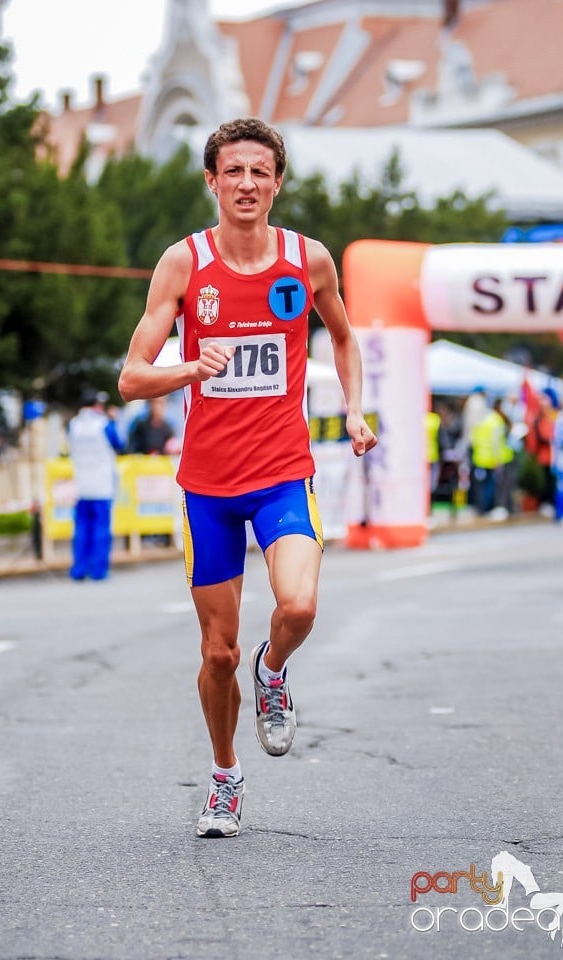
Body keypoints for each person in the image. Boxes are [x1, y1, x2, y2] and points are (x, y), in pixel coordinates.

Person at [118, 117, 377, 838]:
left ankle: (273, 674)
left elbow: (346, 338)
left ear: (277, 182)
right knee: (215, 651)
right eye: (233, 172)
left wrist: (356, 410)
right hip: (208, 486)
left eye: (260, 172)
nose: (247, 184)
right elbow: (130, 377)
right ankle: (225, 778)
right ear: (211, 181)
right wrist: (186, 368)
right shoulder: (183, 264)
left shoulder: (308, 259)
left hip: (282, 475)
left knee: (297, 608)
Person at [67, 389, 124, 581]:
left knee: (81, 528)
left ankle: (78, 569)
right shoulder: (105, 424)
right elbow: (119, 444)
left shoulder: (73, 425)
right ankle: (98, 570)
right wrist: (113, 419)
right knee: (101, 529)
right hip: (102, 484)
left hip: (82, 484)